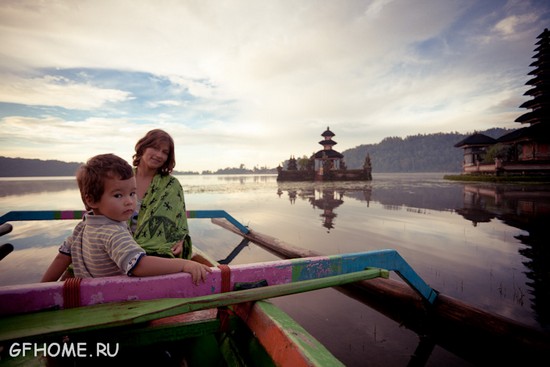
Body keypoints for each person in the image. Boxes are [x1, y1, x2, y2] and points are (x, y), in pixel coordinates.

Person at [41, 153, 211, 282]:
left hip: (90, 300)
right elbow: (140, 266)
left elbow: (62, 257)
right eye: (118, 195)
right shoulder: (114, 233)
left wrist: (41, 289)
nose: (130, 202)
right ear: (91, 200)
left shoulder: (82, 227)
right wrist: (184, 264)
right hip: (117, 306)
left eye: (132, 193)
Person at [130, 129, 192, 259]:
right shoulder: (121, 177)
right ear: (143, 147)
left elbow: (179, 220)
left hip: (159, 253)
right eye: (155, 148)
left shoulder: (172, 185)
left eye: (165, 152)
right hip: (118, 246)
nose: (159, 155)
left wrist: (179, 240)